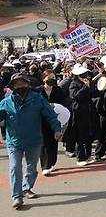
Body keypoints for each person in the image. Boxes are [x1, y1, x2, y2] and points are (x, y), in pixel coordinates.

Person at [0, 73, 62, 209]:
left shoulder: (38, 99)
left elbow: (50, 115)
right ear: (13, 86)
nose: (20, 86)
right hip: (14, 142)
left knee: (31, 168)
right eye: (17, 84)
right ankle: (17, 196)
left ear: (28, 84)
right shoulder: (6, 103)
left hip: (34, 140)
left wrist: (57, 129)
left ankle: (27, 187)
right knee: (15, 167)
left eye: (23, 83)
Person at [68, 63, 97, 166]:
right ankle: (80, 157)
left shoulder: (89, 82)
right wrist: (85, 87)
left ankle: (88, 155)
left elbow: (93, 94)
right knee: (80, 135)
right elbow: (75, 96)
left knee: (89, 134)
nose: (86, 76)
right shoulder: (74, 84)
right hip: (79, 111)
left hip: (89, 110)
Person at [39, 69, 67, 175]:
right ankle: (45, 166)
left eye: (53, 78)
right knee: (43, 143)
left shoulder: (58, 90)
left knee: (53, 142)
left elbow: (63, 103)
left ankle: (51, 163)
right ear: (44, 79)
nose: (51, 80)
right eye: (49, 78)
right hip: (42, 120)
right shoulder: (38, 91)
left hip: (55, 120)